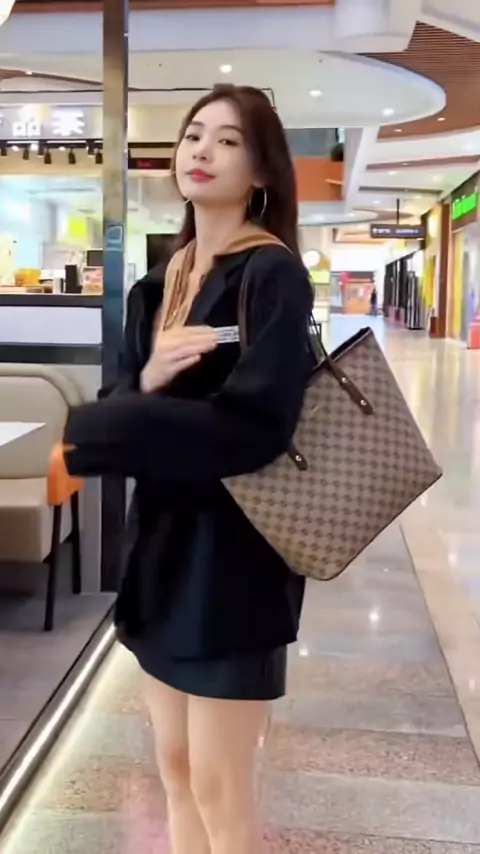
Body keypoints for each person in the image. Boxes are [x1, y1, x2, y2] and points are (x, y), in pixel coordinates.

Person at [60, 84, 313, 854]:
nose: (201, 150)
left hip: (237, 556)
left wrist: (98, 430)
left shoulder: (269, 275)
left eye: (228, 141)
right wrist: (146, 384)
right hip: (162, 546)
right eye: (194, 135)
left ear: (261, 170)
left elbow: (257, 427)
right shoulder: (157, 285)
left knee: (218, 784)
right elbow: (123, 398)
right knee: (173, 766)